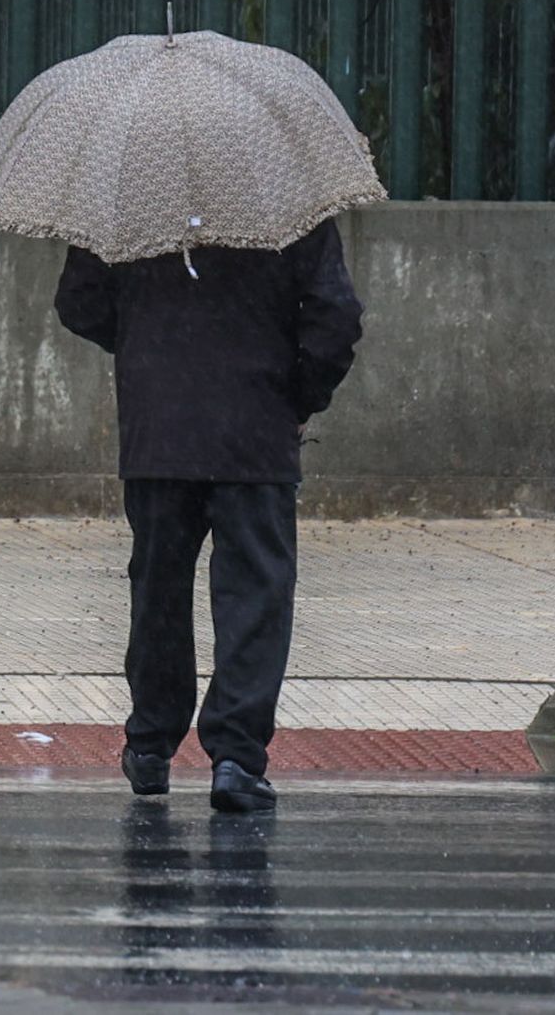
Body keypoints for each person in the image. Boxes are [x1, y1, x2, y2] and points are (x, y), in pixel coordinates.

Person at [54, 221, 362, 812]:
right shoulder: (288, 199)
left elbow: (78, 300)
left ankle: (150, 744)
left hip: (159, 428)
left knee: (159, 588)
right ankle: (237, 757)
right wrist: (301, 396)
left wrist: (151, 343)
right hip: (258, 427)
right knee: (256, 593)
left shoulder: (131, 194)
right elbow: (335, 316)